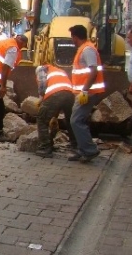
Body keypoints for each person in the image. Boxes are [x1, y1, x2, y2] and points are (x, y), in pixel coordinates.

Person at [68, 25, 105, 162]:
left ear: (75, 37)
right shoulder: (84, 49)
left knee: (76, 121)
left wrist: (84, 90)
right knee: (78, 120)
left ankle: (90, 150)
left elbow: (93, 71)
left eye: (72, 37)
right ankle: (83, 149)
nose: (71, 39)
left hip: (88, 93)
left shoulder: (87, 49)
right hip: (84, 92)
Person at [34, 64, 77, 158]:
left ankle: (45, 147)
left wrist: (41, 99)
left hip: (55, 94)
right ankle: (76, 146)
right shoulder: (59, 70)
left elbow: (42, 85)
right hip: (70, 94)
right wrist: (54, 116)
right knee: (70, 120)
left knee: (41, 118)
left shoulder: (41, 69)